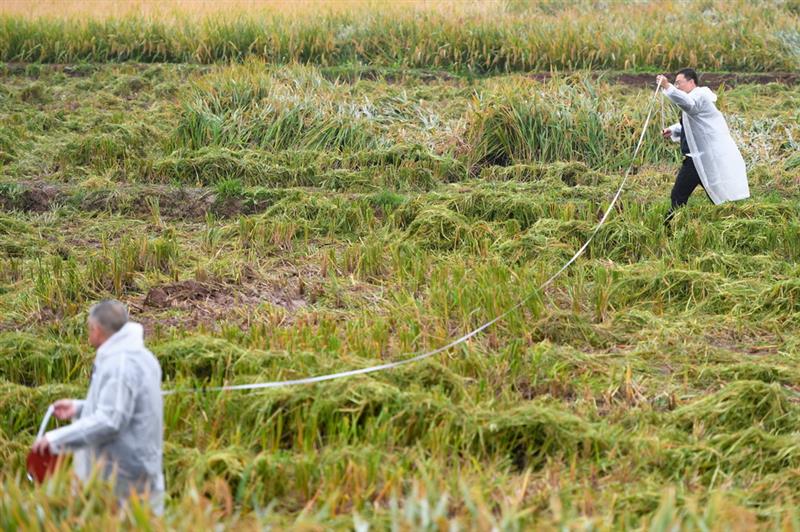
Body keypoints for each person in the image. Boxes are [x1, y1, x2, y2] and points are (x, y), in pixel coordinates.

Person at [31, 300, 165, 515]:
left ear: (97, 329)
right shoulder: (142, 357)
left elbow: (110, 420)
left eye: (89, 328)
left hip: (122, 477)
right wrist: (79, 408)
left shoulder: (120, 364)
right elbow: (125, 407)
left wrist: (55, 439)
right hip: (140, 466)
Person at [657, 68, 750, 225]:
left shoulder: (699, 96)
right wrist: (673, 130)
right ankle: (731, 222)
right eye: (675, 84)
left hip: (699, 158)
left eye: (679, 83)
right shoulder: (695, 98)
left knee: (679, 195)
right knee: (712, 194)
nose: (677, 86)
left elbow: (689, 106)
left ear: (691, 82)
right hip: (698, 158)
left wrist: (667, 86)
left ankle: (670, 226)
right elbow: (692, 125)